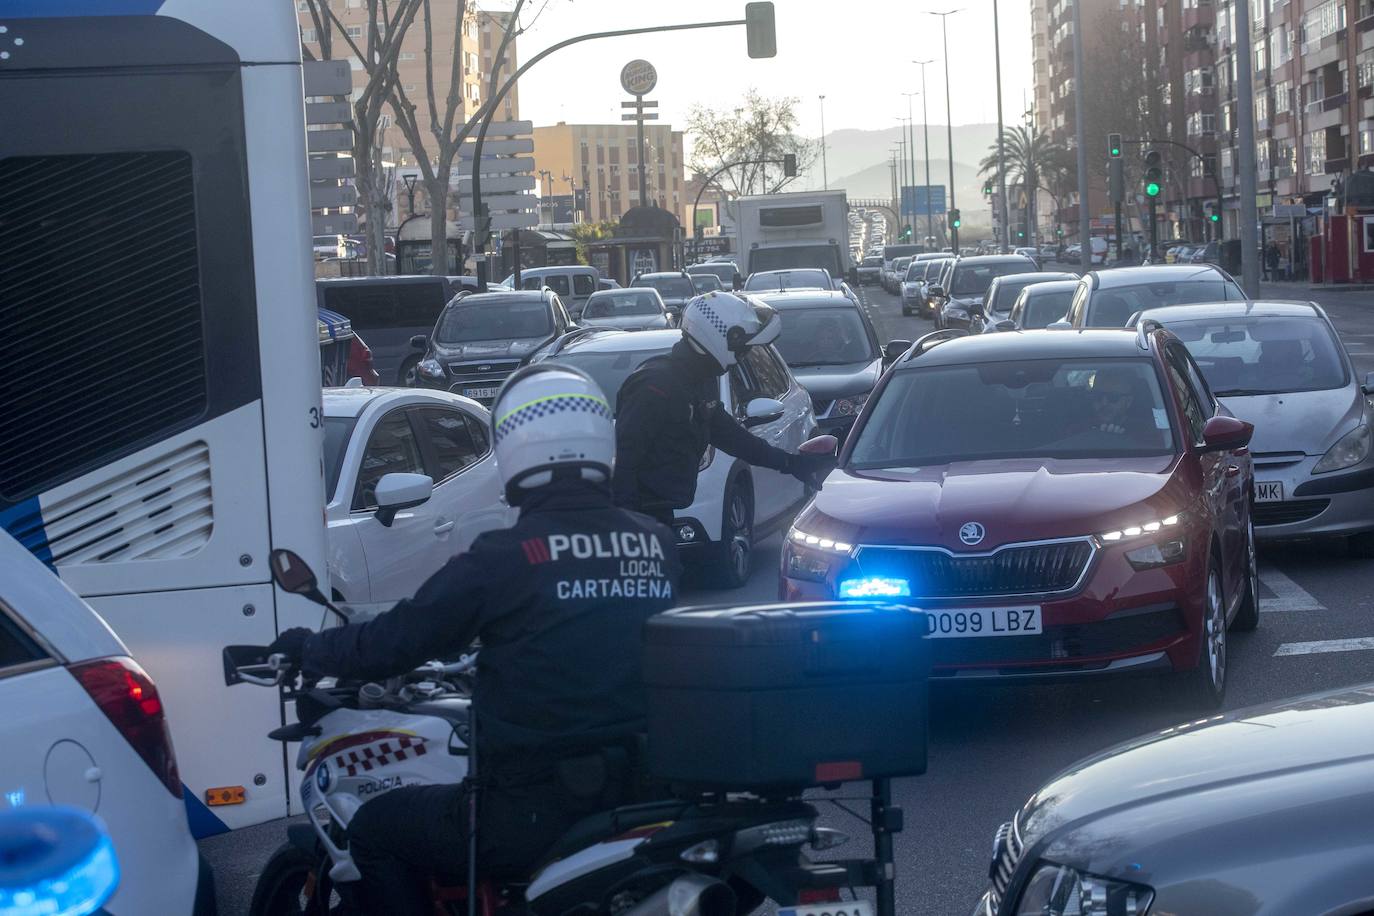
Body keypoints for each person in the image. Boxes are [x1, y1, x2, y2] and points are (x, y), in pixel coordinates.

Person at [267, 365, 681, 916]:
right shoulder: (655, 544)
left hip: (530, 810)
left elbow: (397, 641)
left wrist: (308, 648)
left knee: (373, 831)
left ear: (514, 450)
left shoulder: (501, 558)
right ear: (603, 442)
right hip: (642, 795)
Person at [612, 291, 836, 525]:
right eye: (742, 349)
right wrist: (629, 534)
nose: (743, 356)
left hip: (660, 514)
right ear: (719, 336)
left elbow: (731, 436)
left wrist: (790, 463)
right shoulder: (656, 386)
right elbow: (625, 462)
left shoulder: (697, 381)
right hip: (640, 517)